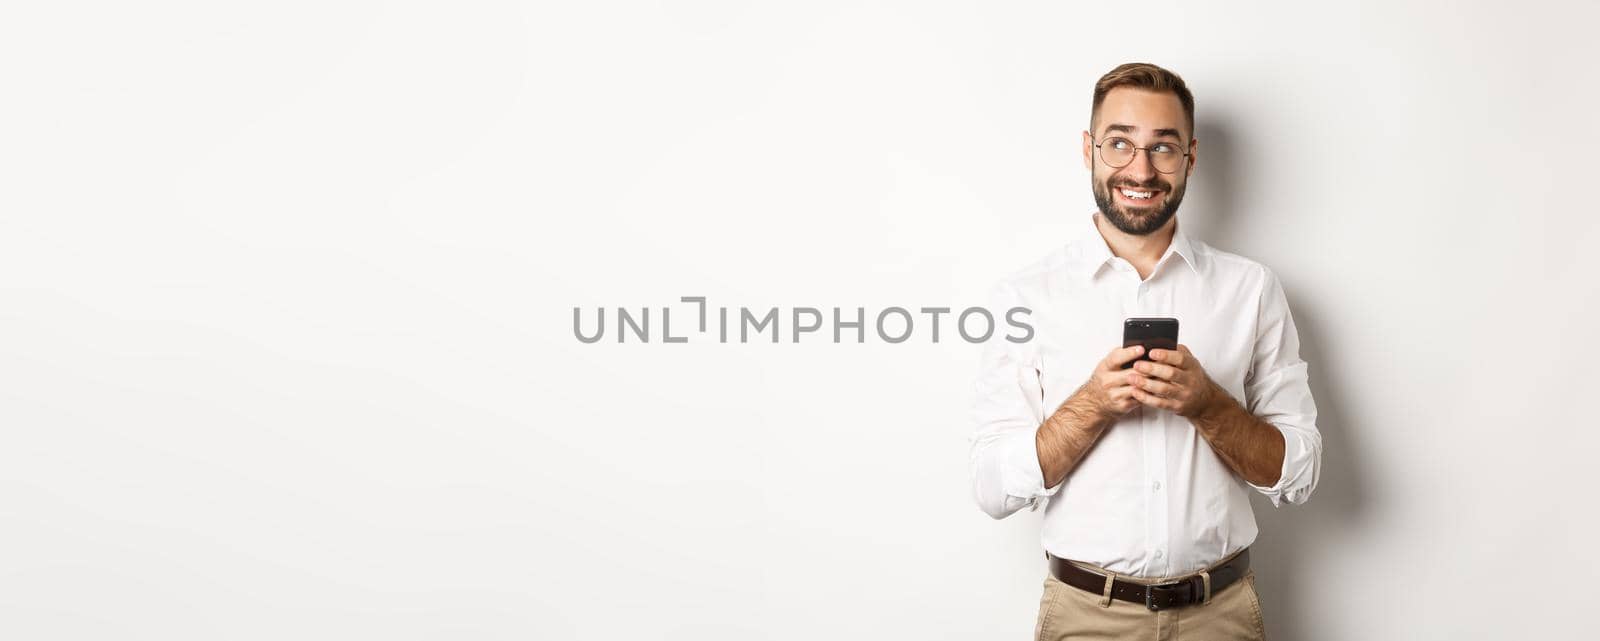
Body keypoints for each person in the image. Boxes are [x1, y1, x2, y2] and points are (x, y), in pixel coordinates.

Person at [967, 62, 1322, 641]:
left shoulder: (1251, 289)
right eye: (1119, 144)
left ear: (1191, 157)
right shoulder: (1025, 297)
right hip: (1086, 618)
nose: (1140, 169)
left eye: (1163, 148)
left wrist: (1208, 404)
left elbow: (1299, 474)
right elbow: (992, 487)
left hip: (1221, 616)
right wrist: (1093, 405)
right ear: (1089, 149)